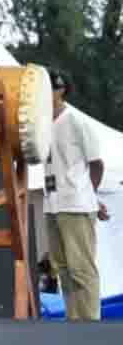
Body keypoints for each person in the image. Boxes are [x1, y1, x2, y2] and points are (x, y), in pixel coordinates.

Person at [42, 68, 107, 321]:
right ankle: (74, 322)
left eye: (48, 88)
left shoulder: (77, 121)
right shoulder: (42, 123)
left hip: (76, 204)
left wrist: (91, 195)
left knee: (82, 269)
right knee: (63, 269)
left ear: (61, 90)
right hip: (52, 204)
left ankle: (90, 324)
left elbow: (97, 163)